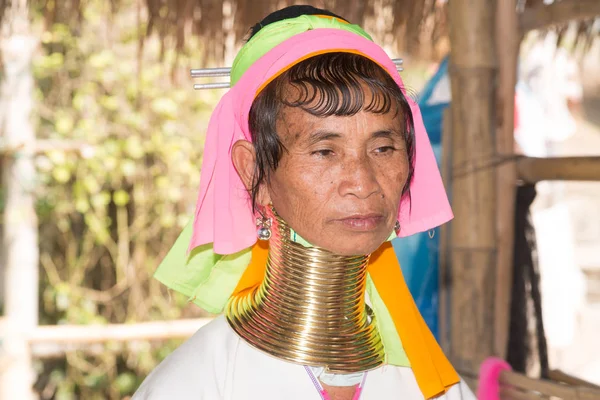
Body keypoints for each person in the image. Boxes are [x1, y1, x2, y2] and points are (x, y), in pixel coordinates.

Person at [133, 6, 475, 400]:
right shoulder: (194, 386)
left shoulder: (432, 386)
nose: (363, 184)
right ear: (253, 172)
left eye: (383, 147)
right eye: (324, 152)